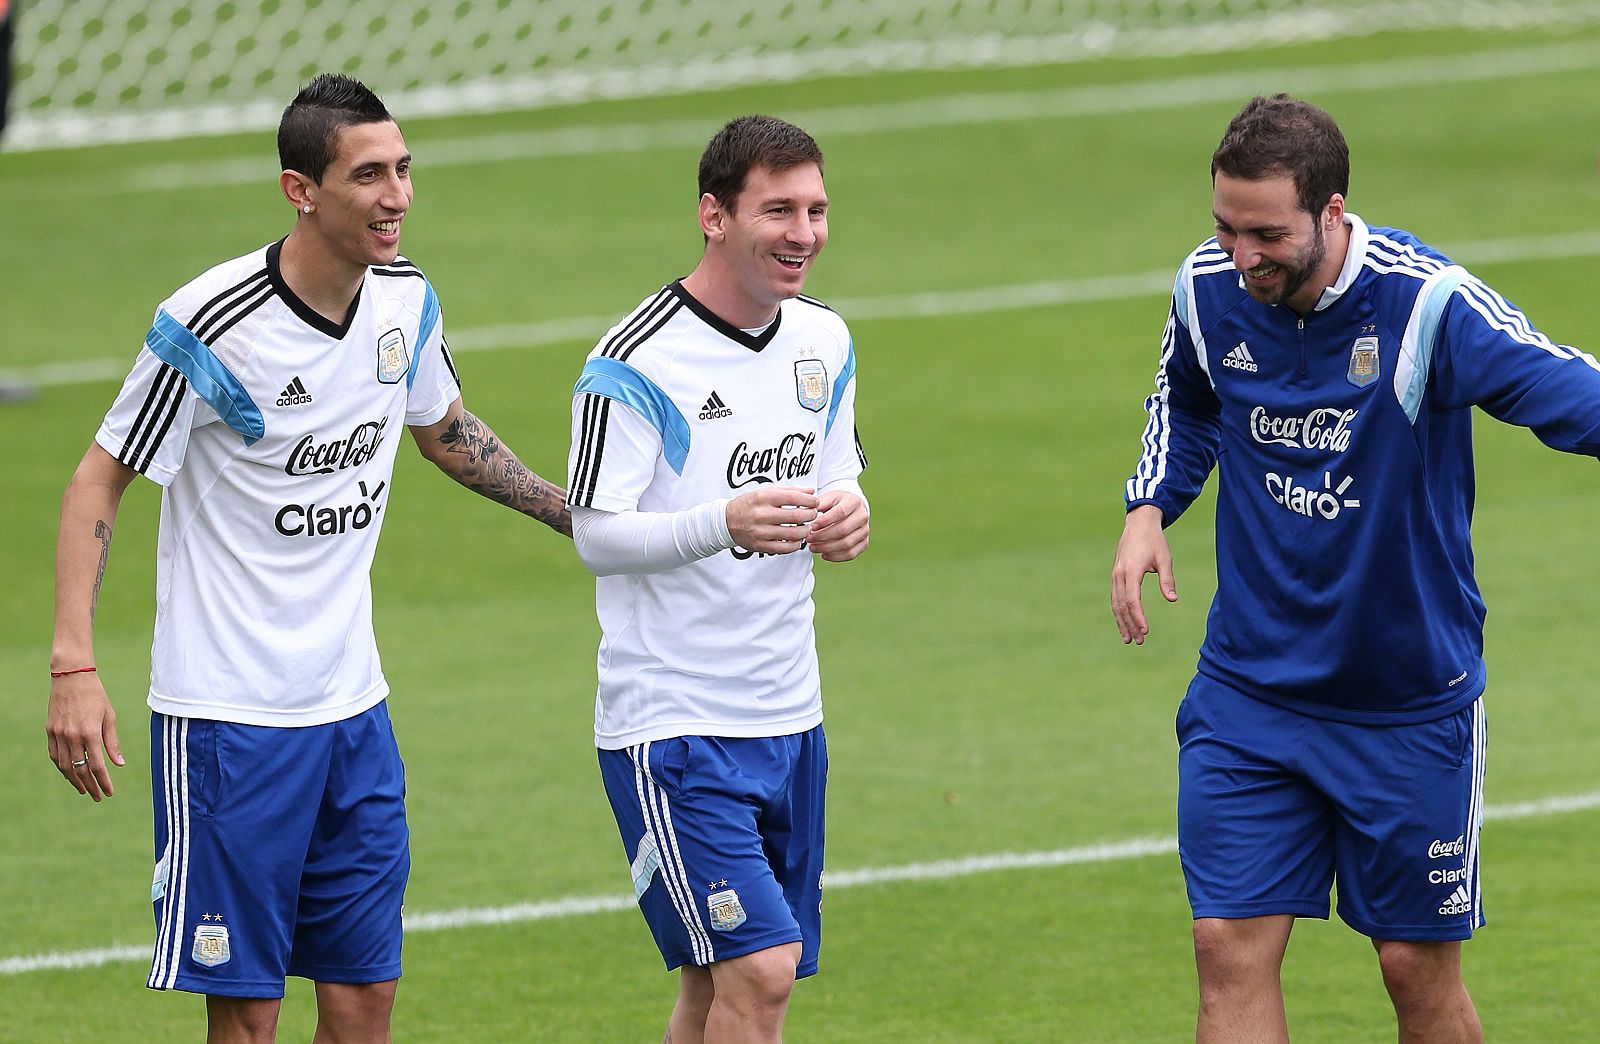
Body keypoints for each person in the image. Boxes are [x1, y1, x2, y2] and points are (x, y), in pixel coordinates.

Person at [45, 73, 570, 1044]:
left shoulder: (404, 304)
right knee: (248, 1018)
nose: (397, 195)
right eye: (369, 175)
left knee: (364, 1002)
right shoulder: (211, 323)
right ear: (301, 190)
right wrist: (74, 664)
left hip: (352, 714)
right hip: (228, 723)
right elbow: (96, 482)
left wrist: (574, 518)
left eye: (404, 170)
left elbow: (443, 429)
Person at [1111, 92, 1600, 1042]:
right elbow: (1188, 400)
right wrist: (1148, 507)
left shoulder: (1425, 306)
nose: (1241, 254)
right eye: (1224, 225)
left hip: (1405, 701)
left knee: (1413, 969)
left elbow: (1570, 392)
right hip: (1252, 689)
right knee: (1226, 944)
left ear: (1333, 213)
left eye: (1266, 233)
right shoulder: (1208, 286)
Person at [566, 114, 869, 1043]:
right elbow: (595, 534)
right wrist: (720, 524)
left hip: (788, 713)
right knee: (762, 971)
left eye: (815, 211)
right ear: (714, 215)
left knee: (715, 986)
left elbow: (839, 468)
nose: (802, 234)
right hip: (676, 722)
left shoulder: (824, 338)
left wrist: (851, 510)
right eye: (777, 210)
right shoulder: (633, 360)